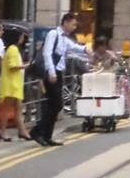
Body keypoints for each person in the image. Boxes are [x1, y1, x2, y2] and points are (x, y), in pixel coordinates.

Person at [30, 13, 88, 147]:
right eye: (73, 24)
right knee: (56, 104)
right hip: (52, 73)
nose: (74, 27)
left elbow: (73, 48)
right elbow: (47, 53)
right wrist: (51, 71)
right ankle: (37, 131)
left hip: (58, 73)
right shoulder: (53, 34)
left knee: (53, 105)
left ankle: (46, 136)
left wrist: (85, 50)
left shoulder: (64, 38)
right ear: (66, 22)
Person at [0, 30, 29, 143]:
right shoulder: (13, 49)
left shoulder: (11, 49)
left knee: (18, 108)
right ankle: (3, 132)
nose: (22, 39)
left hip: (14, 83)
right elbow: (13, 66)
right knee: (7, 109)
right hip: (11, 84)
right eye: (21, 36)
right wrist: (26, 66)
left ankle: (22, 131)